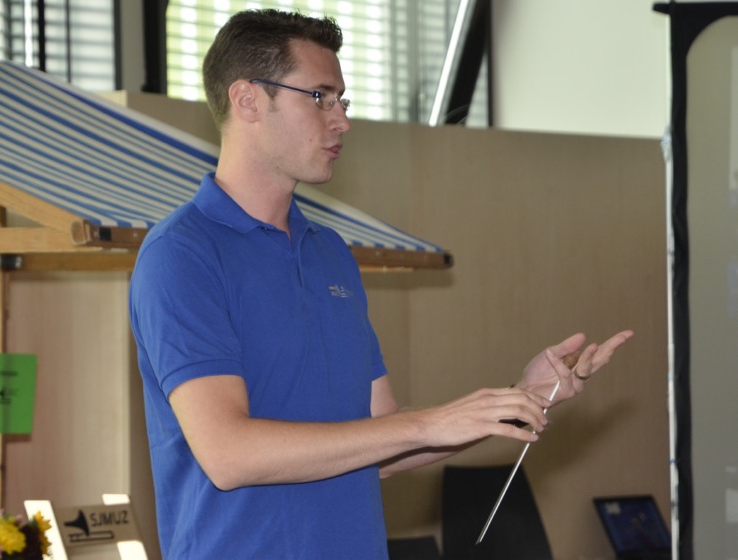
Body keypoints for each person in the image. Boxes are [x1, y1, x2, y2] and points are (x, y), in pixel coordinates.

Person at [129, 8, 633, 559]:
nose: (342, 121)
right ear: (247, 99)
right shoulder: (181, 255)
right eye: (319, 97)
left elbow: (383, 442)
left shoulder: (330, 253)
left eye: (342, 101)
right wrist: (430, 422)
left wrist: (517, 401)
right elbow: (229, 454)